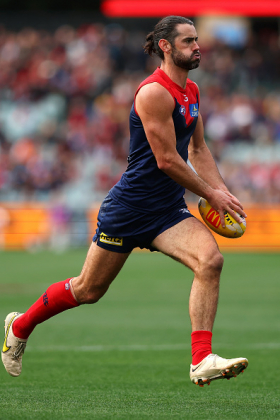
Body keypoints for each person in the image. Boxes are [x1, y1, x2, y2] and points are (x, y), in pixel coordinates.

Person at [2, 16, 248, 386]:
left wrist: (221, 191)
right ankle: (20, 325)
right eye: (188, 41)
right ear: (165, 46)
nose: (197, 46)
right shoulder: (152, 93)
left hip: (166, 211)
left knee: (210, 261)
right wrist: (208, 193)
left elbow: (198, 148)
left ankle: (201, 360)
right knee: (88, 290)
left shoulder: (192, 91)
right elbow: (167, 160)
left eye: (197, 40)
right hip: (129, 210)